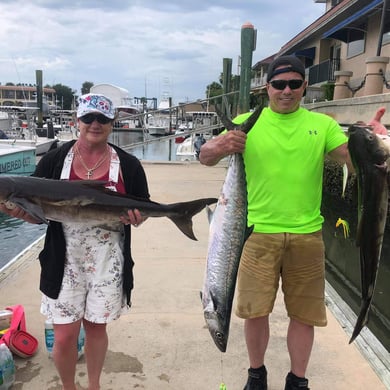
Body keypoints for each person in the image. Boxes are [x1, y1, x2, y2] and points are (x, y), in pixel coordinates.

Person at [199, 56, 387, 390]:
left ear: (303, 87)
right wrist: (218, 144)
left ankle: (297, 379)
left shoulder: (324, 125)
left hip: (308, 236)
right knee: (254, 312)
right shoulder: (245, 122)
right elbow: (206, 157)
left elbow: (353, 160)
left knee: (304, 314)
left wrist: (375, 143)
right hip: (254, 234)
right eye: (279, 84)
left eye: (294, 84)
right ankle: (256, 374)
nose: (286, 91)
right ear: (267, 87)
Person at [0, 93, 148, 390]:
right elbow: (39, 217)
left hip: (108, 258)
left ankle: (94, 385)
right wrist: (10, 209)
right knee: (65, 335)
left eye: (103, 119)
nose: (95, 124)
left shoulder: (129, 165)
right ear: (76, 121)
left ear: (112, 123)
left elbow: (141, 207)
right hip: (62, 259)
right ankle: (69, 387)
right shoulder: (54, 161)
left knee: (96, 329)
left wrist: (138, 217)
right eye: (89, 118)